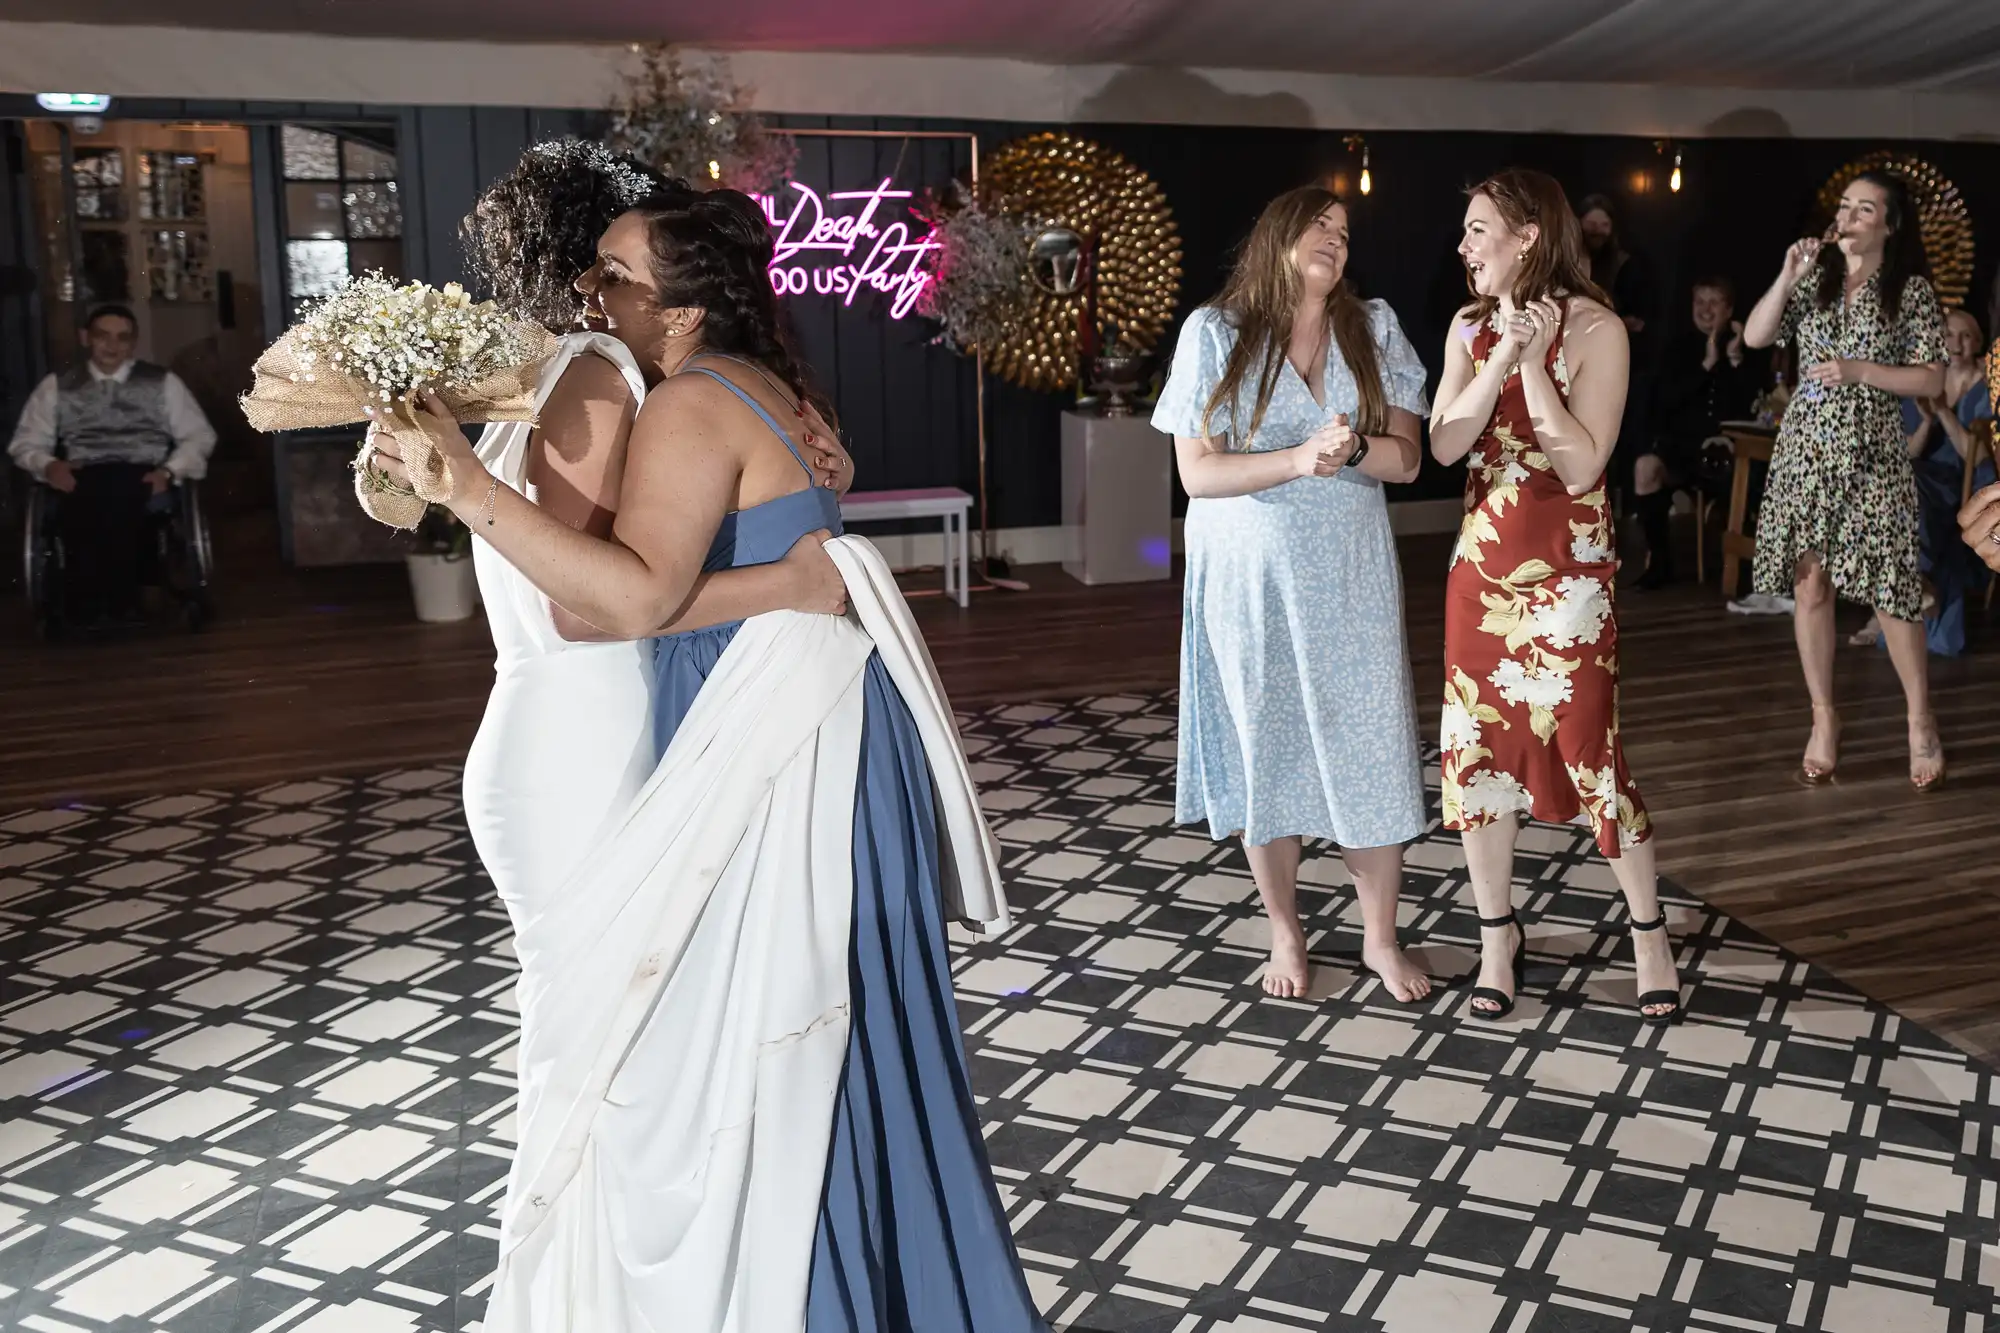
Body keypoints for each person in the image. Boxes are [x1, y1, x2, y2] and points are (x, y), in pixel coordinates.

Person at [369, 186, 1046, 1333]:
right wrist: (789, 575)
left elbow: (624, 601)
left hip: (781, 750)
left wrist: (471, 490)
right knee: (831, 1022)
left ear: (679, 308)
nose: (596, 293)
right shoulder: (763, 386)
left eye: (617, 276)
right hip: (817, 728)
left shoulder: (686, 400)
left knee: (773, 1036)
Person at [1152, 186, 1433, 1004]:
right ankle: (1286, 928)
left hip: (1348, 571)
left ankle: (1380, 936)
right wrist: (1295, 458)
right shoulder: (1214, 333)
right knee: (1264, 744)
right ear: (1276, 235)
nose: (1335, 240)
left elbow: (1409, 461)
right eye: (1319, 224)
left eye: (1344, 232)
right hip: (1248, 578)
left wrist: (1347, 455)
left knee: (1371, 737)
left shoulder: (1372, 326)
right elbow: (1197, 473)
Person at [1430, 168, 1681, 1026]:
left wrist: (1536, 366)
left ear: (1528, 234)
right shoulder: (1467, 326)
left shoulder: (1599, 327)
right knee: (1480, 757)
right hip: (1482, 579)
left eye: (1476, 229)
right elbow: (1445, 444)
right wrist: (1499, 349)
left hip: (1570, 580)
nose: (1463, 247)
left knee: (1589, 747)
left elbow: (1580, 465)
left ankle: (1649, 933)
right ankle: (1499, 935)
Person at [1741, 171, 1948, 789]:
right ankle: (1823, 718)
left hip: (1874, 455)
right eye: (1845, 207)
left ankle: (1920, 721)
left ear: (1889, 225)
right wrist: (1787, 276)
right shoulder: (1816, 283)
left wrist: (1862, 369)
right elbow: (1755, 335)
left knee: (1891, 589)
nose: (1850, 218)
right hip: (1806, 453)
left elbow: (1933, 380)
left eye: (1865, 209)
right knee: (1811, 589)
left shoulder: (1908, 291)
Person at [7, 303, 216, 624]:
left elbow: (199, 436)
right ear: (85, 338)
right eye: (103, 336)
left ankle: (109, 599)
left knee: (119, 495)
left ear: (133, 343)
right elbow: (26, 441)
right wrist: (49, 466)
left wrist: (170, 471)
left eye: (123, 338)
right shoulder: (57, 385)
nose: (112, 346)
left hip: (142, 471)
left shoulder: (162, 383)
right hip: (83, 471)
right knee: (89, 497)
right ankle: (106, 597)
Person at [1850, 306, 1992, 655]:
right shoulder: (1924, 378)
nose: (1956, 344)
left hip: (1964, 481)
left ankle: (1905, 588)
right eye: (1948, 335)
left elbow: (1978, 456)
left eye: (1965, 335)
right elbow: (1908, 451)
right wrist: (1927, 420)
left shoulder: (1989, 385)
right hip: (1920, 478)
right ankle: (1913, 581)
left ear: (1978, 342)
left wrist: (1944, 411)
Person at [1631, 277, 1761, 588]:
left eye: (1713, 302)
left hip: (1730, 452)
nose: (1705, 309)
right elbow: (1664, 402)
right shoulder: (1676, 348)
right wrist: (1706, 365)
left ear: (1728, 309)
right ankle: (1659, 564)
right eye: (1699, 302)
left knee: (1752, 475)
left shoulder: (1747, 347)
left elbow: (1754, 405)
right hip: (1683, 451)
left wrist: (1733, 359)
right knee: (1645, 468)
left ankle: (1743, 570)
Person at [1578, 194, 1659, 504]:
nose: (1597, 230)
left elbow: (1638, 321)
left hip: (1617, 368)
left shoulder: (1626, 265)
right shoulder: (1568, 263)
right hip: (1577, 365)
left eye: (1604, 224)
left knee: (1614, 442)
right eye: (1591, 223)